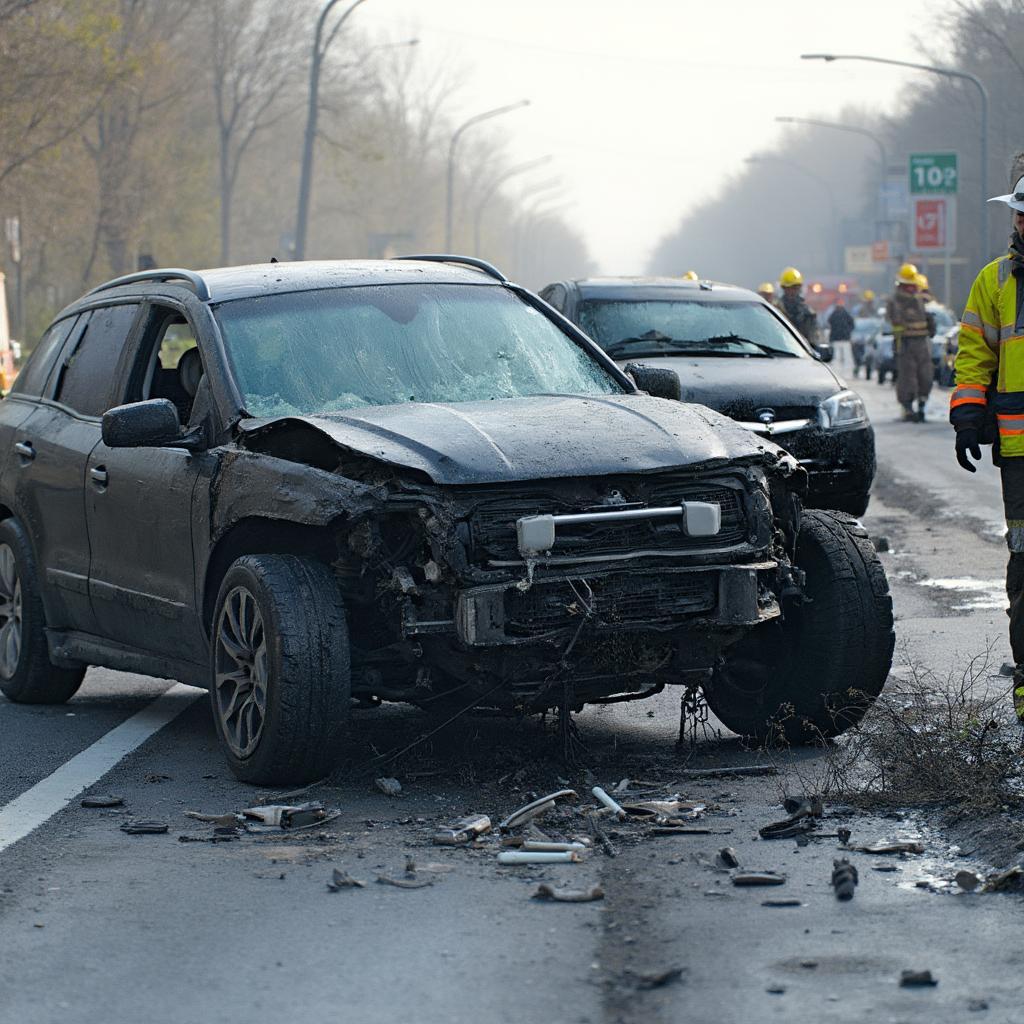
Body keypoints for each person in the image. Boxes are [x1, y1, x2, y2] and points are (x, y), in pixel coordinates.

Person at [951, 171, 1024, 722]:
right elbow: (974, 355)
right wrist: (969, 411)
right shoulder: (993, 279)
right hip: (1020, 452)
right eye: (1019, 214)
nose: (1021, 223)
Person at [888, 262, 935, 421]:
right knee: (907, 377)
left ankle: (922, 404)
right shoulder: (895, 301)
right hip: (905, 344)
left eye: (913, 286)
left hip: (922, 343)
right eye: (909, 286)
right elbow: (895, 321)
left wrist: (931, 324)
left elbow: (929, 318)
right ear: (901, 285)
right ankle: (907, 408)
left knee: (926, 375)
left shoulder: (922, 300)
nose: (912, 289)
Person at [778, 266, 819, 347]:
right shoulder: (775, 309)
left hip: (801, 353)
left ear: (799, 289)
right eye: (788, 288)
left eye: (794, 288)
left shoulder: (808, 314)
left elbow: (812, 339)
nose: (792, 292)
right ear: (784, 288)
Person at [827, 299, 855, 369]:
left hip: (839, 338)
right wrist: (848, 332)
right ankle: (842, 369)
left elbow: (829, 322)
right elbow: (852, 325)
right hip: (842, 338)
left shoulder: (835, 314)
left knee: (842, 356)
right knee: (841, 356)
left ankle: (843, 369)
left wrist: (847, 331)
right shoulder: (843, 314)